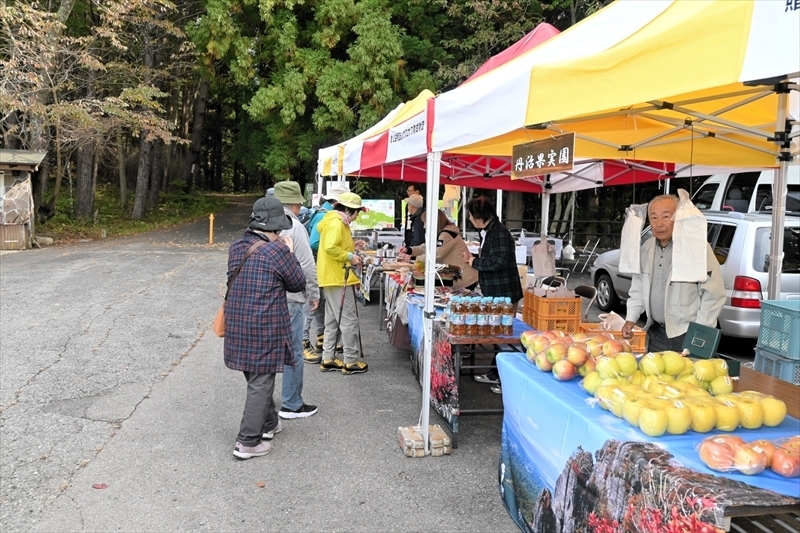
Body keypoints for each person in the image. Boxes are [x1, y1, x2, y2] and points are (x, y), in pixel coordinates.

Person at [224, 196, 306, 459]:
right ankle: (247, 442)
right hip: (264, 323)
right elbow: (297, 283)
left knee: (256, 376)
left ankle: (269, 424)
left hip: (238, 321)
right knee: (261, 381)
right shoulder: (278, 251)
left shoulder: (237, 246)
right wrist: (290, 253)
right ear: (274, 227)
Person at [621, 194, 725, 352]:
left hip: (687, 333)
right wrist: (631, 319)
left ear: (679, 218)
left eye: (666, 216)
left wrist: (700, 332)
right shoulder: (646, 248)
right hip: (656, 332)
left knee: (686, 376)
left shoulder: (697, 248)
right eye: (654, 218)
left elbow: (714, 294)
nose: (659, 224)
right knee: (654, 376)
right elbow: (638, 287)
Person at [461, 196, 524, 394]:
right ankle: (495, 373)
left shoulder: (499, 233)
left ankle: (506, 379)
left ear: (479, 216)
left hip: (504, 292)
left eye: (471, 216)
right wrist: (475, 258)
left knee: (503, 336)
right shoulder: (488, 231)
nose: (470, 219)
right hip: (496, 292)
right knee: (498, 335)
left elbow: (497, 262)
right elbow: (493, 258)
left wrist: (474, 262)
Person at [273, 181, 320, 419]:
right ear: (294, 203)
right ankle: (291, 403)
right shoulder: (294, 226)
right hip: (291, 297)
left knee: (268, 350)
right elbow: (307, 265)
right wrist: (314, 294)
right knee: (293, 350)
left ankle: (264, 401)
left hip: (267, 297)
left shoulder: (264, 223)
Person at [316, 192, 369, 375]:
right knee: (348, 320)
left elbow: (334, 245)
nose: (357, 217)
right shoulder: (337, 223)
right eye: (357, 213)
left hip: (332, 276)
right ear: (349, 210)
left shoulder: (335, 221)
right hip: (338, 277)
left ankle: (328, 357)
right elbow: (331, 247)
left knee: (332, 320)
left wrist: (353, 247)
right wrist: (350, 256)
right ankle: (351, 360)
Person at [303, 182, 350, 363]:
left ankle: (322, 338)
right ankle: (305, 341)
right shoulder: (325, 216)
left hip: (318, 263)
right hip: (317, 264)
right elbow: (314, 243)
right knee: (313, 302)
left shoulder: (323, 213)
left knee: (320, 302)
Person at [398, 209, 478, 291]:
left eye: (425, 223)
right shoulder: (441, 234)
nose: (424, 226)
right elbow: (425, 247)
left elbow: (436, 255)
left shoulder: (446, 235)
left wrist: (413, 258)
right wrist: (409, 250)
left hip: (465, 278)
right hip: (458, 276)